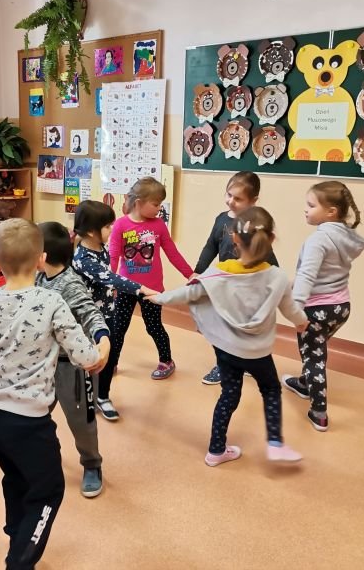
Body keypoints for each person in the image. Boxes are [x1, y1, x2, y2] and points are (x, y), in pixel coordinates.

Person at [0, 219, 100, 570]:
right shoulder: (52, 301)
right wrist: (102, 348)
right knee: (49, 491)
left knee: (16, 478)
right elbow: (85, 357)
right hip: (30, 423)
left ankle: (18, 535)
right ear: (41, 259)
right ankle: (19, 561)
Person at [152, 207, 307, 466]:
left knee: (229, 395)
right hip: (258, 353)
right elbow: (291, 310)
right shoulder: (278, 277)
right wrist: (301, 323)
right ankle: (276, 444)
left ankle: (216, 450)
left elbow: (188, 293)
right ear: (271, 239)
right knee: (270, 389)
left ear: (234, 238)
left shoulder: (218, 274)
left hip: (226, 350)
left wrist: (158, 297)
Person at [282, 181, 364, 432]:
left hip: (317, 309)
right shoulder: (345, 236)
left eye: (311, 205)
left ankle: (319, 413)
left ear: (331, 211)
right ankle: (305, 384)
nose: (305, 209)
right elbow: (323, 274)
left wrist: (296, 310)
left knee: (313, 357)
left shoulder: (318, 240)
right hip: (341, 308)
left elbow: (308, 275)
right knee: (316, 348)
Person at [37, 221, 110, 497]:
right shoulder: (38, 278)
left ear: (42, 255)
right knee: (37, 414)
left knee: (82, 422)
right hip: (45, 364)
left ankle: (92, 464)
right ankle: (46, 456)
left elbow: (90, 313)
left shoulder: (70, 283)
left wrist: (103, 339)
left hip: (74, 368)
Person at [71, 200, 158, 421]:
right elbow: (110, 277)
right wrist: (142, 289)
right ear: (91, 232)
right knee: (88, 359)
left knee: (110, 355)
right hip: (88, 319)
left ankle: (103, 396)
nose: (112, 229)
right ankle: (86, 398)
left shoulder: (101, 248)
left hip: (108, 313)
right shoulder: (83, 259)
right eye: (108, 226)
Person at [194, 171, 279, 386]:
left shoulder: (256, 225)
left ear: (253, 201)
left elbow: (268, 255)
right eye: (229, 194)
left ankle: (249, 362)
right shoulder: (221, 219)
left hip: (250, 287)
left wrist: (275, 280)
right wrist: (198, 271)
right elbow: (210, 246)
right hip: (227, 284)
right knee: (223, 327)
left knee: (246, 328)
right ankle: (223, 366)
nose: (231, 201)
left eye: (238, 198)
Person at [108, 177, 195, 381]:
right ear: (139, 202)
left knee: (153, 326)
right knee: (118, 327)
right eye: (156, 204)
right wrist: (110, 283)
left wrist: (189, 273)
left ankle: (167, 360)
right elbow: (113, 256)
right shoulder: (120, 225)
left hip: (152, 289)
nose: (159, 208)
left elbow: (172, 252)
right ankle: (111, 363)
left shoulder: (158, 225)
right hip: (126, 287)